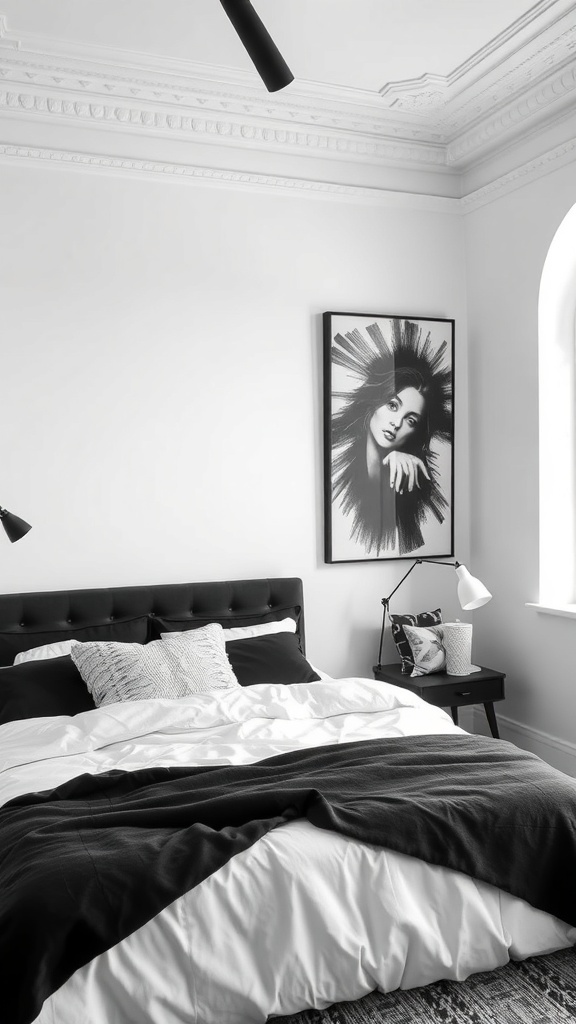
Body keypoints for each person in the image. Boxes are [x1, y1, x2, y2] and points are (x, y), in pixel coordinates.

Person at [330, 318, 452, 556]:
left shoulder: (417, 487)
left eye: (411, 420)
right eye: (393, 405)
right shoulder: (336, 468)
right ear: (374, 402)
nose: (397, 423)